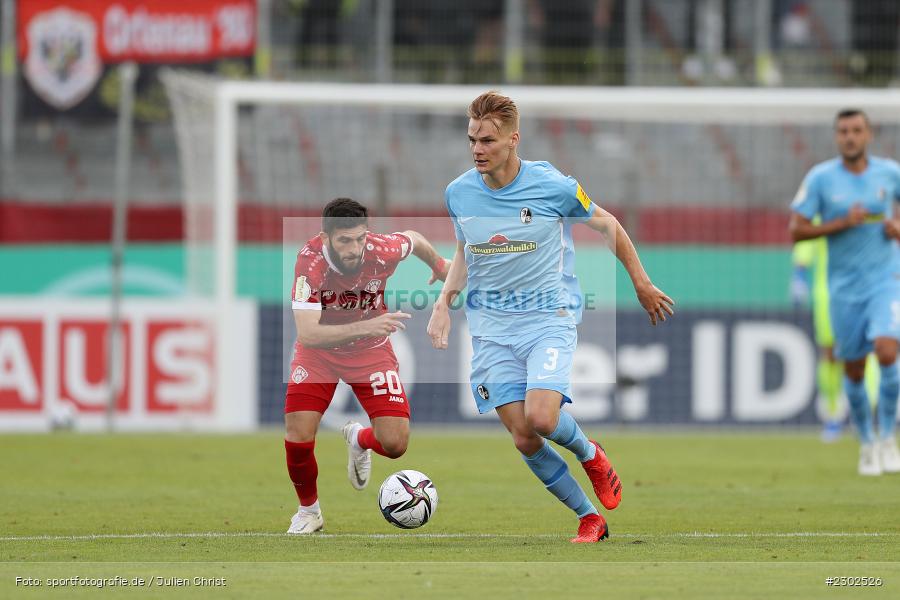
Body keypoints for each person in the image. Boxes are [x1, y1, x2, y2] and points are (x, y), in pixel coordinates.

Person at [427, 91, 674, 543]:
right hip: (490, 330)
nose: (477, 149)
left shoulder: (553, 186)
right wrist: (445, 302)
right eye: (472, 140)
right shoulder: (458, 193)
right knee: (524, 437)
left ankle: (589, 452)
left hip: (547, 318)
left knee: (542, 417)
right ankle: (589, 518)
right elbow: (467, 250)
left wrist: (640, 281)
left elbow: (608, 225)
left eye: (487, 140)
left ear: (513, 139)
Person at [284, 198, 450, 534]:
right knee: (298, 433)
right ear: (326, 237)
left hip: (370, 352)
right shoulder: (310, 262)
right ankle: (308, 512)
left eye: (359, 238)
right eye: (345, 240)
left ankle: (359, 439)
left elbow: (413, 239)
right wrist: (368, 326)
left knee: (396, 444)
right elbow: (308, 333)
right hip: (320, 352)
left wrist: (439, 265)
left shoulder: (380, 249)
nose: (354, 248)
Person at [789, 109, 900, 476]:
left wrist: (896, 226)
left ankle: (887, 437)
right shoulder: (821, 178)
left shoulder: (889, 173)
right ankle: (867, 442)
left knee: (887, 350)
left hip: (886, 280)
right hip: (843, 289)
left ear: (869, 134)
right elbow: (797, 229)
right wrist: (840, 223)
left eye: (856, 130)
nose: (850, 137)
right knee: (853, 369)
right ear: (837, 137)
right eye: (843, 131)